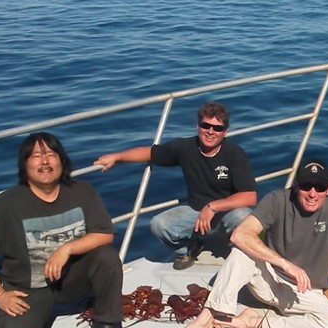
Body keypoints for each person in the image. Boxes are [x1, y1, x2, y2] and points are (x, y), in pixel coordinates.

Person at [160, 159, 328, 328]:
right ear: (296, 186)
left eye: (319, 187)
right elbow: (240, 234)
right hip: (267, 280)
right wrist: (285, 264)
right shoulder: (277, 200)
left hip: (303, 291)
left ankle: (252, 321)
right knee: (242, 251)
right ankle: (205, 319)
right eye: (306, 186)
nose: (312, 193)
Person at [0, 132, 128, 328]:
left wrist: (67, 249)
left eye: (51, 154)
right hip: (29, 289)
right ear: (24, 165)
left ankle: (106, 323)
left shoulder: (82, 191)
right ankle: (17, 323)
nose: (44, 161)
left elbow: (105, 234)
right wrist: (0, 296)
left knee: (107, 257)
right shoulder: (5, 205)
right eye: (35, 156)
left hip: (73, 280)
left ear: (62, 160)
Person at [94, 101, 257, 270]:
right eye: (205, 126)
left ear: (225, 131)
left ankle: (239, 252)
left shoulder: (235, 154)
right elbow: (149, 152)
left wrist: (212, 207)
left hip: (226, 213)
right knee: (159, 225)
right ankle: (189, 249)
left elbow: (249, 196)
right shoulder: (184, 147)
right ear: (197, 126)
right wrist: (116, 156)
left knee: (243, 216)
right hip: (195, 212)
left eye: (217, 128)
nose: (210, 131)